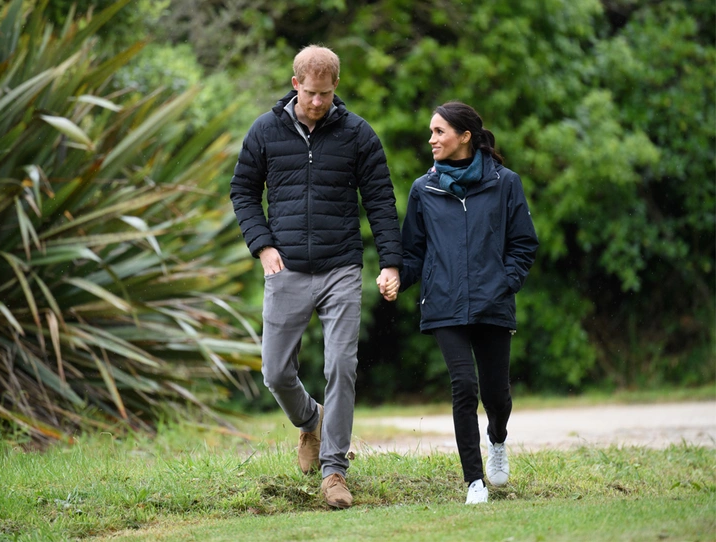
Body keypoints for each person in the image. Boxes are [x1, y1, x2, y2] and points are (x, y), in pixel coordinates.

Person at [230, 45, 402, 509]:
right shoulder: (265, 131)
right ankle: (310, 420)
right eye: (310, 93)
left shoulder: (358, 135)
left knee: (341, 366)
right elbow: (242, 191)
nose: (317, 103)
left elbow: (382, 200)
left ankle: (334, 472)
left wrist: (391, 262)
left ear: (335, 88)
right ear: (294, 85)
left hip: (341, 267)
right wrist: (262, 246)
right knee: (274, 371)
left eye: (325, 94)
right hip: (285, 265)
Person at [380, 101, 538, 504]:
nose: (431, 140)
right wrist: (396, 273)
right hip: (444, 303)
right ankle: (474, 481)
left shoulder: (505, 183)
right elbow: (413, 251)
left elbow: (523, 243)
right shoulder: (423, 189)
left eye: (439, 132)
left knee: (496, 394)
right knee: (464, 387)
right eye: (431, 132)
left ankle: (497, 440)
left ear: (464, 136)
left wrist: (507, 282)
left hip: (493, 302)